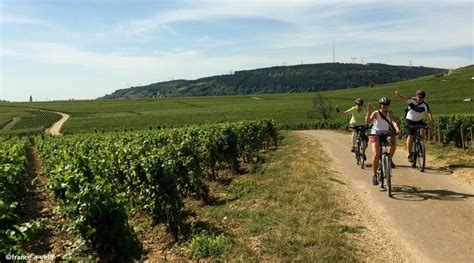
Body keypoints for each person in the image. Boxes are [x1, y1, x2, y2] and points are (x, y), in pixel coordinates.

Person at [366, 97, 401, 185]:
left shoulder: (390, 113)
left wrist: (397, 129)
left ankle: (389, 159)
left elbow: (394, 122)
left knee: (393, 143)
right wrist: (369, 112)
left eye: (386, 105)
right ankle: (374, 175)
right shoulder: (376, 113)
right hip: (375, 134)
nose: (385, 106)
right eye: (383, 104)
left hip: (385, 133)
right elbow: (368, 122)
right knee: (376, 154)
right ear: (380, 105)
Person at [395, 89, 433, 162]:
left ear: (424, 98)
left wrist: (431, 122)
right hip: (410, 120)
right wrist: (398, 95)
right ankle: (409, 154)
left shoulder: (425, 104)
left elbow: (429, 113)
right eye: (419, 97)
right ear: (416, 96)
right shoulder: (411, 100)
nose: (420, 99)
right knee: (410, 135)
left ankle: (420, 144)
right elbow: (404, 99)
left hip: (419, 121)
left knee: (423, 130)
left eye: (422, 98)